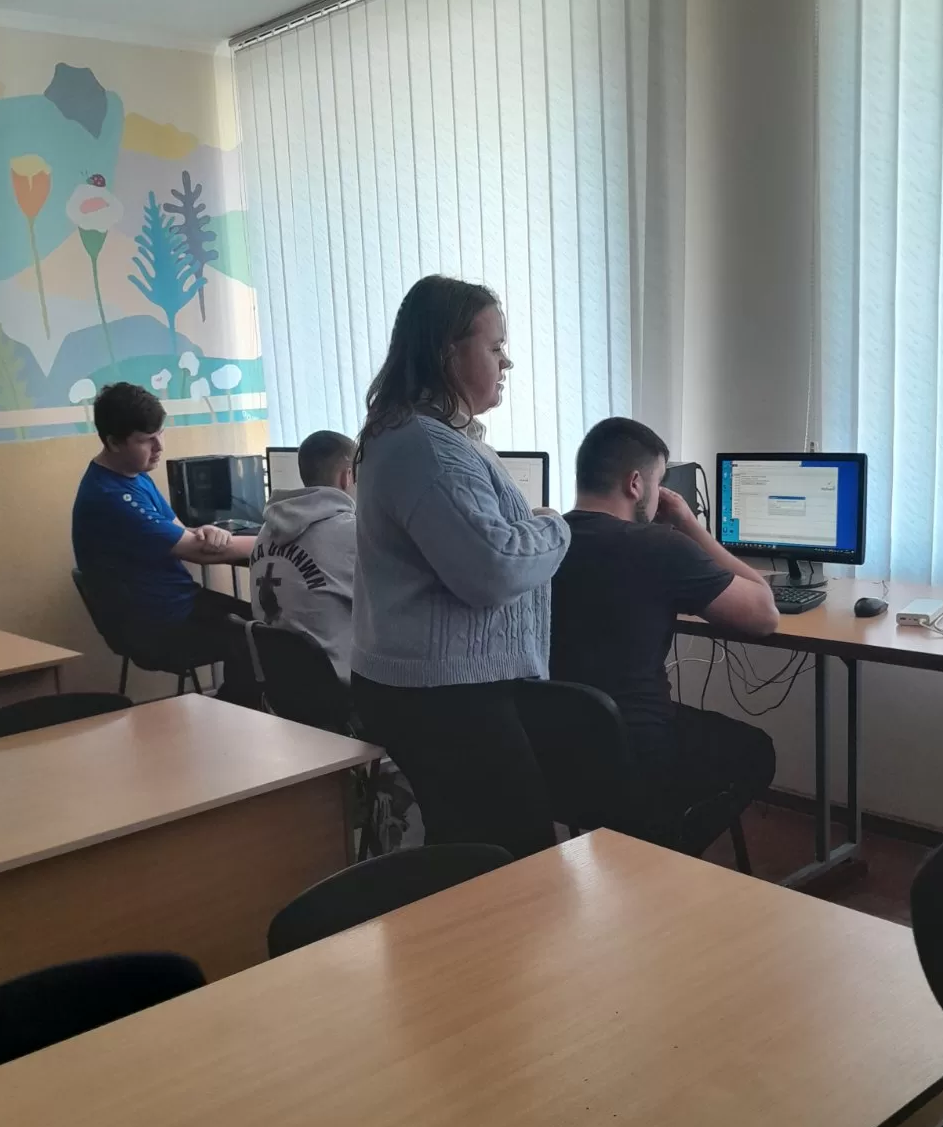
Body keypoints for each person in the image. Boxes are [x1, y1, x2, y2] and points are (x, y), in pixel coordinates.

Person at [350, 274, 571, 859]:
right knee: (516, 856)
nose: (507, 362)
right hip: (446, 696)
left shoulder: (416, 433)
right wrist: (554, 525)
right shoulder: (428, 447)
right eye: (495, 347)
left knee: (468, 845)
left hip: (434, 687)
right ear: (448, 351)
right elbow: (492, 569)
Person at [550, 417, 779, 857]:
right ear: (635, 484)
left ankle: (638, 852)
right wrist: (690, 525)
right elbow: (764, 614)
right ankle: (660, 855)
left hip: (557, 750)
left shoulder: (541, 541)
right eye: (658, 483)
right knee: (755, 752)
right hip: (641, 749)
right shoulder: (659, 547)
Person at [71, 381, 258, 702]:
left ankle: (235, 709)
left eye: (161, 434)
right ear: (113, 442)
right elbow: (199, 553)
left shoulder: (133, 475)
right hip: (157, 626)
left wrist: (207, 532)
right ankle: (231, 715)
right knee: (263, 636)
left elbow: (182, 533)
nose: (159, 446)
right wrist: (275, 540)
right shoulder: (111, 497)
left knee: (262, 626)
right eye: (146, 439)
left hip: (175, 604)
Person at [250, 430, 357, 683]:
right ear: (347, 476)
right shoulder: (351, 532)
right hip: (341, 688)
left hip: (281, 687)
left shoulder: (266, 530)